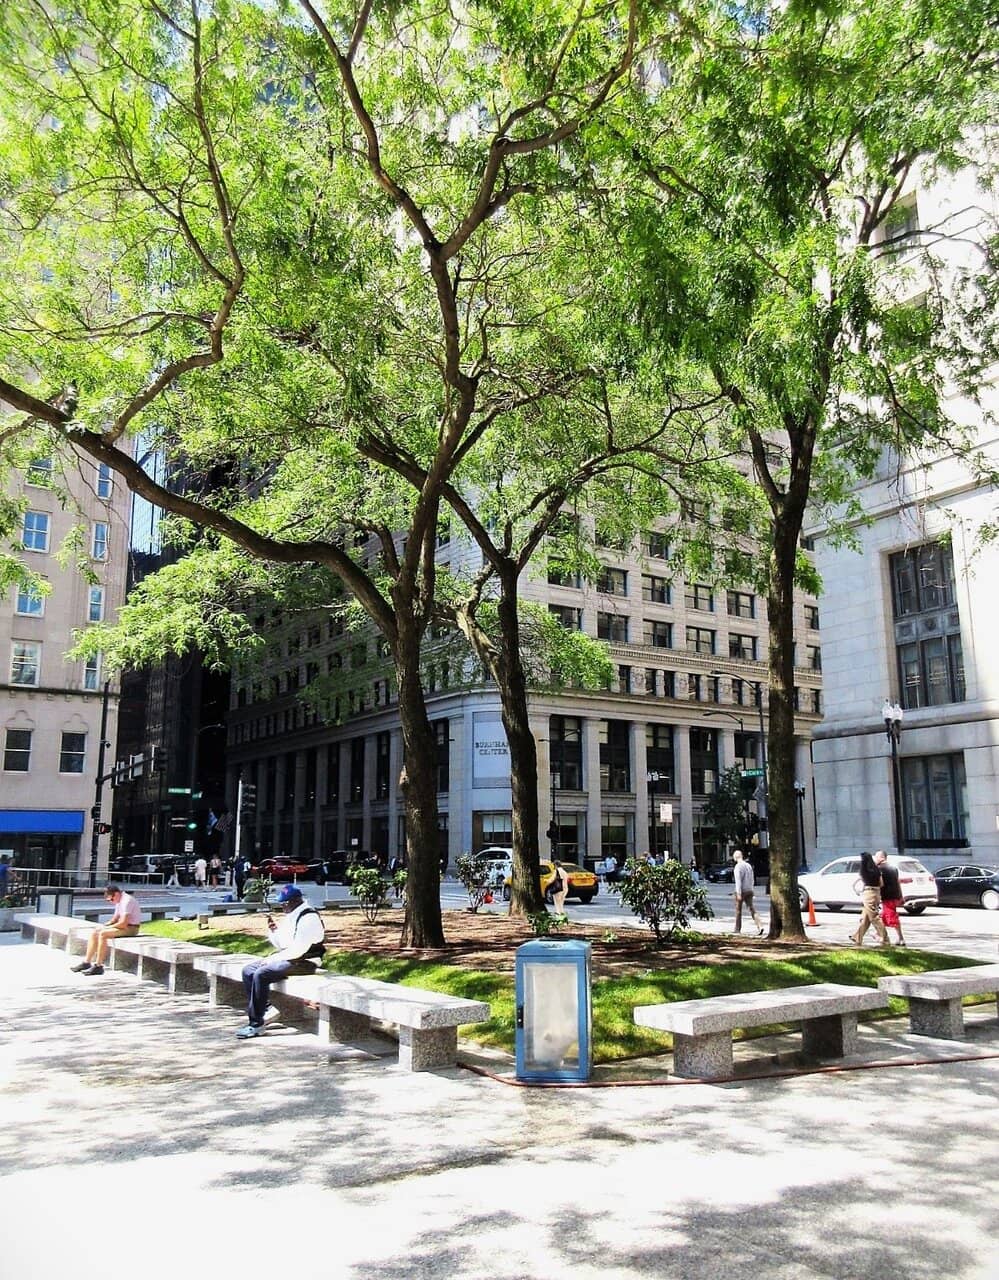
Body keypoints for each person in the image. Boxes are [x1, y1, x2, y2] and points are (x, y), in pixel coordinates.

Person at [237, 884, 326, 1039]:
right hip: (291, 958)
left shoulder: (309, 917)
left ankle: (256, 1024)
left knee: (262, 973)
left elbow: (299, 950)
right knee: (248, 970)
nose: (282, 907)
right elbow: (284, 945)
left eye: (284, 903)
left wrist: (272, 959)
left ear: (295, 901)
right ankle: (266, 1009)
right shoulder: (292, 916)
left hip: (306, 962)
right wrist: (274, 932)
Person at [71, 884, 141, 975]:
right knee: (95, 932)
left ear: (116, 894)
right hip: (124, 926)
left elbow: (123, 923)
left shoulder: (127, 901)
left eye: (111, 899)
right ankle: (86, 962)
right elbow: (115, 918)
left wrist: (107, 928)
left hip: (132, 928)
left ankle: (98, 966)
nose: (111, 902)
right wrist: (104, 925)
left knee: (103, 934)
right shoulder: (120, 900)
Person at [850, 851, 889, 947]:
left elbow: (857, 882)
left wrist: (859, 890)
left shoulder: (863, 871)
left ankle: (885, 939)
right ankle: (857, 937)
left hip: (868, 894)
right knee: (866, 918)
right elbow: (881, 883)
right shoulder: (876, 869)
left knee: (874, 917)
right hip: (877, 893)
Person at [874, 850, 906, 946]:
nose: (875, 859)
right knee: (883, 916)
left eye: (876, 857)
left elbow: (879, 884)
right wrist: (901, 895)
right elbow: (898, 882)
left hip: (887, 896)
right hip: (895, 895)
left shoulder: (879, 869)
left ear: (882, 857)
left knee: (892, 917)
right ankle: (879, 935)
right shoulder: (894, 868)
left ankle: (901, 938)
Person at [732, 849, 764, 936]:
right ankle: (760, 926)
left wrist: (738, 893)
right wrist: (752, 889)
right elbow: (752, 878)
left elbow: (738, 881)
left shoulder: (738, 867)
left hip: (742, 891)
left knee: (738, 910)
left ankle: (737, 929)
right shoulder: (748, 865)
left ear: (735, 857)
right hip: (749, 889)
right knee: (752, 909)